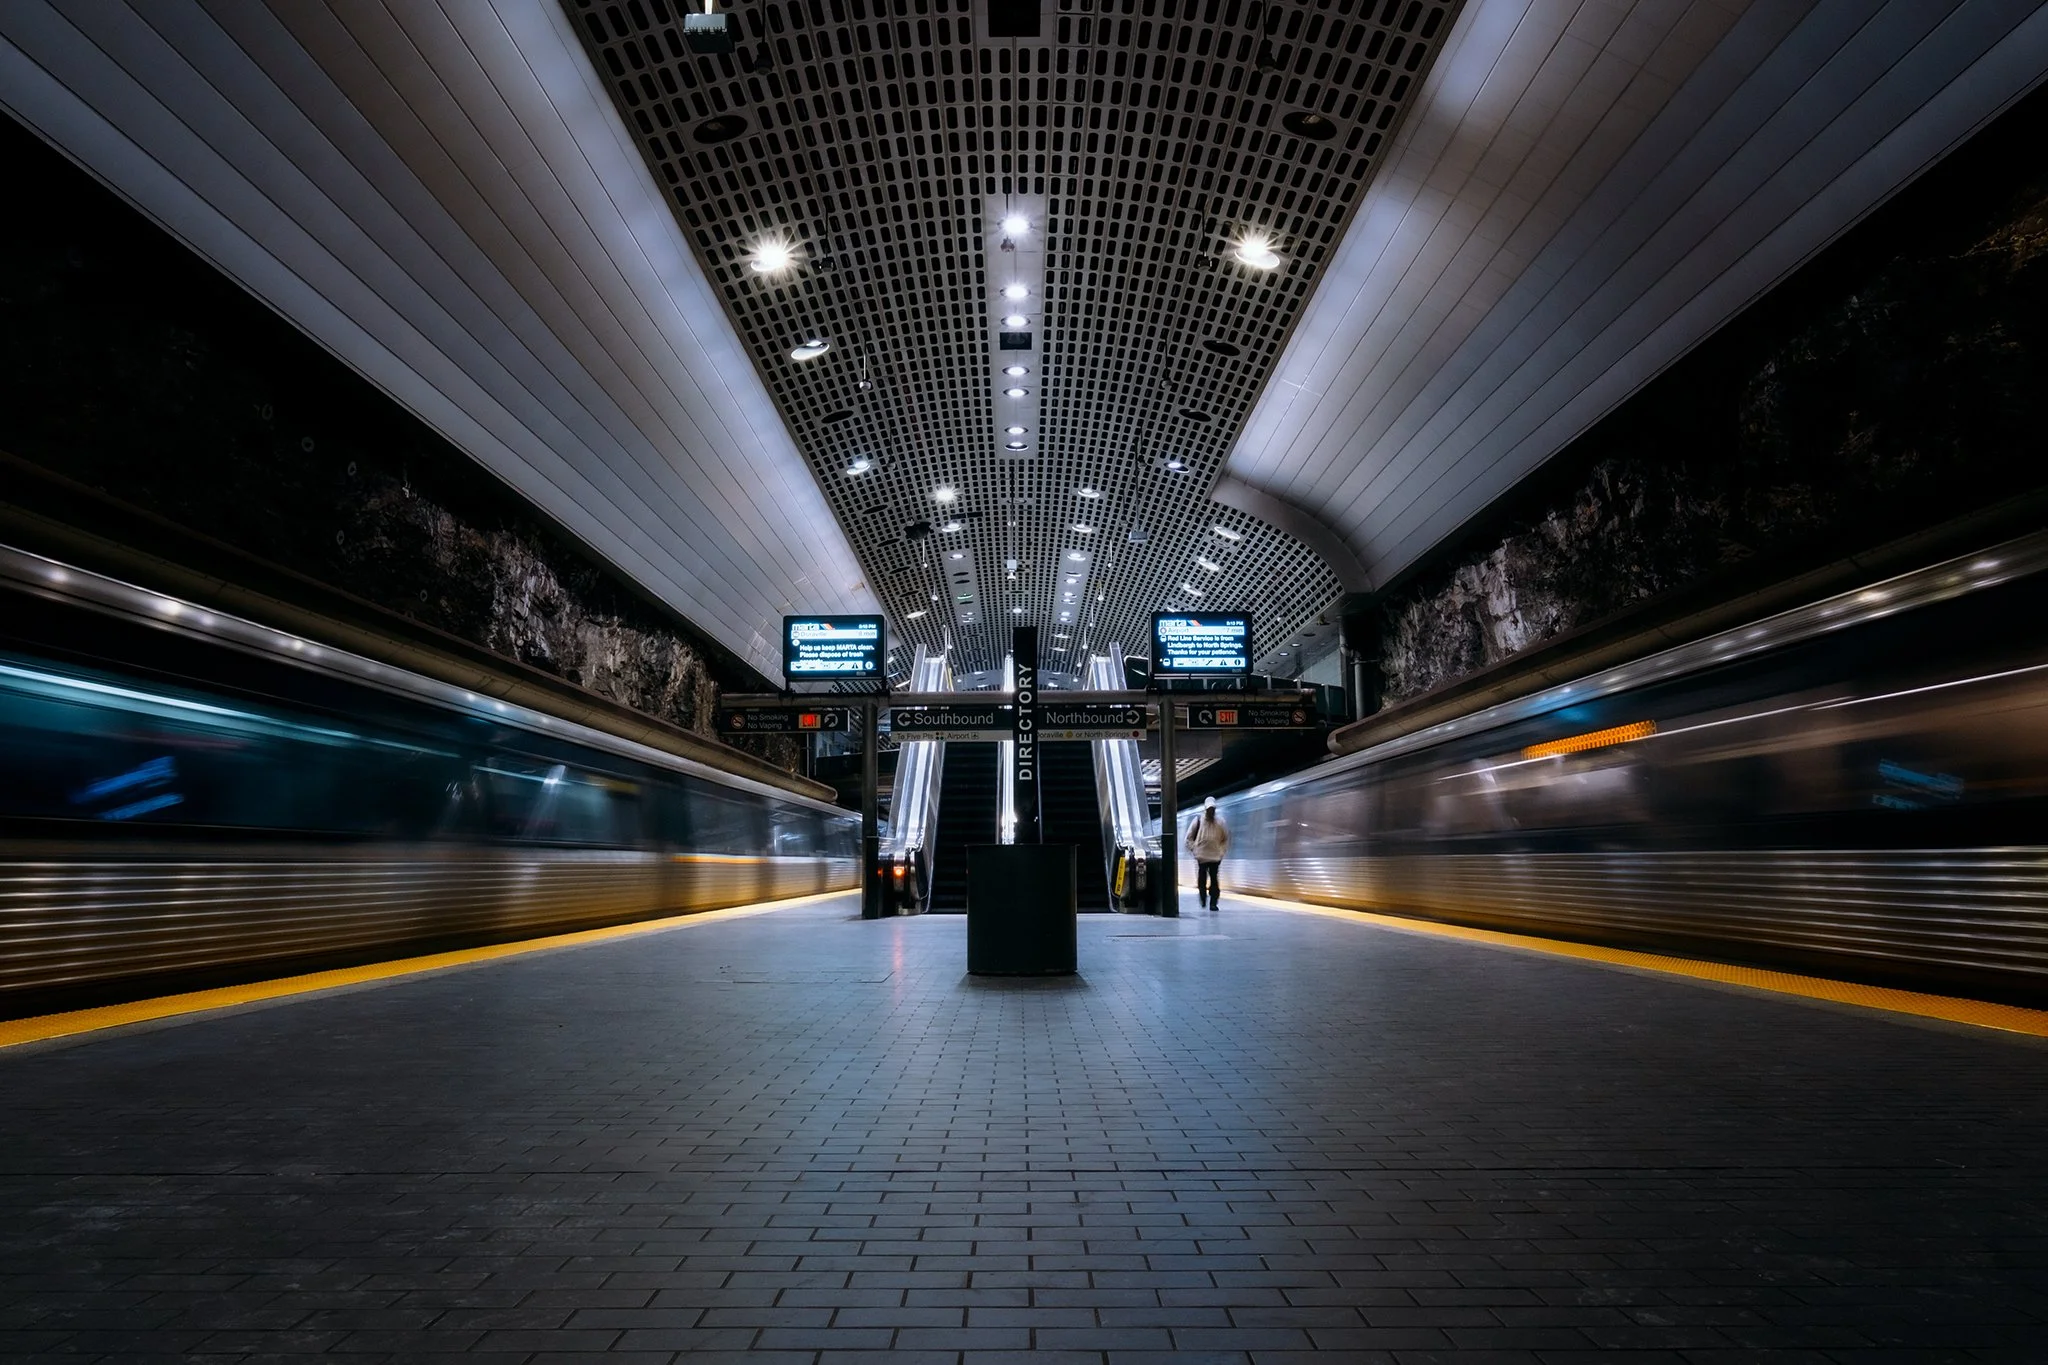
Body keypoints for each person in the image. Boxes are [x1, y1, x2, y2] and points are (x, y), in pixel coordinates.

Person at [1186, 796, 1230, 911]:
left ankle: (1213, 903)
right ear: (1205, 809)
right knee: (1202, 880)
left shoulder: (1220, 822)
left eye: (1213, 809)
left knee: (1214, 880)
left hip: (1215, 857)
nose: (1211, 812)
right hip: (1201, 857)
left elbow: (1225, 839)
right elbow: (1189, 838)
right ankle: (1203, 897)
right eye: (1209, 809)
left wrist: (1221, 852)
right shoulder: (1198, 821)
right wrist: (1194, 850)